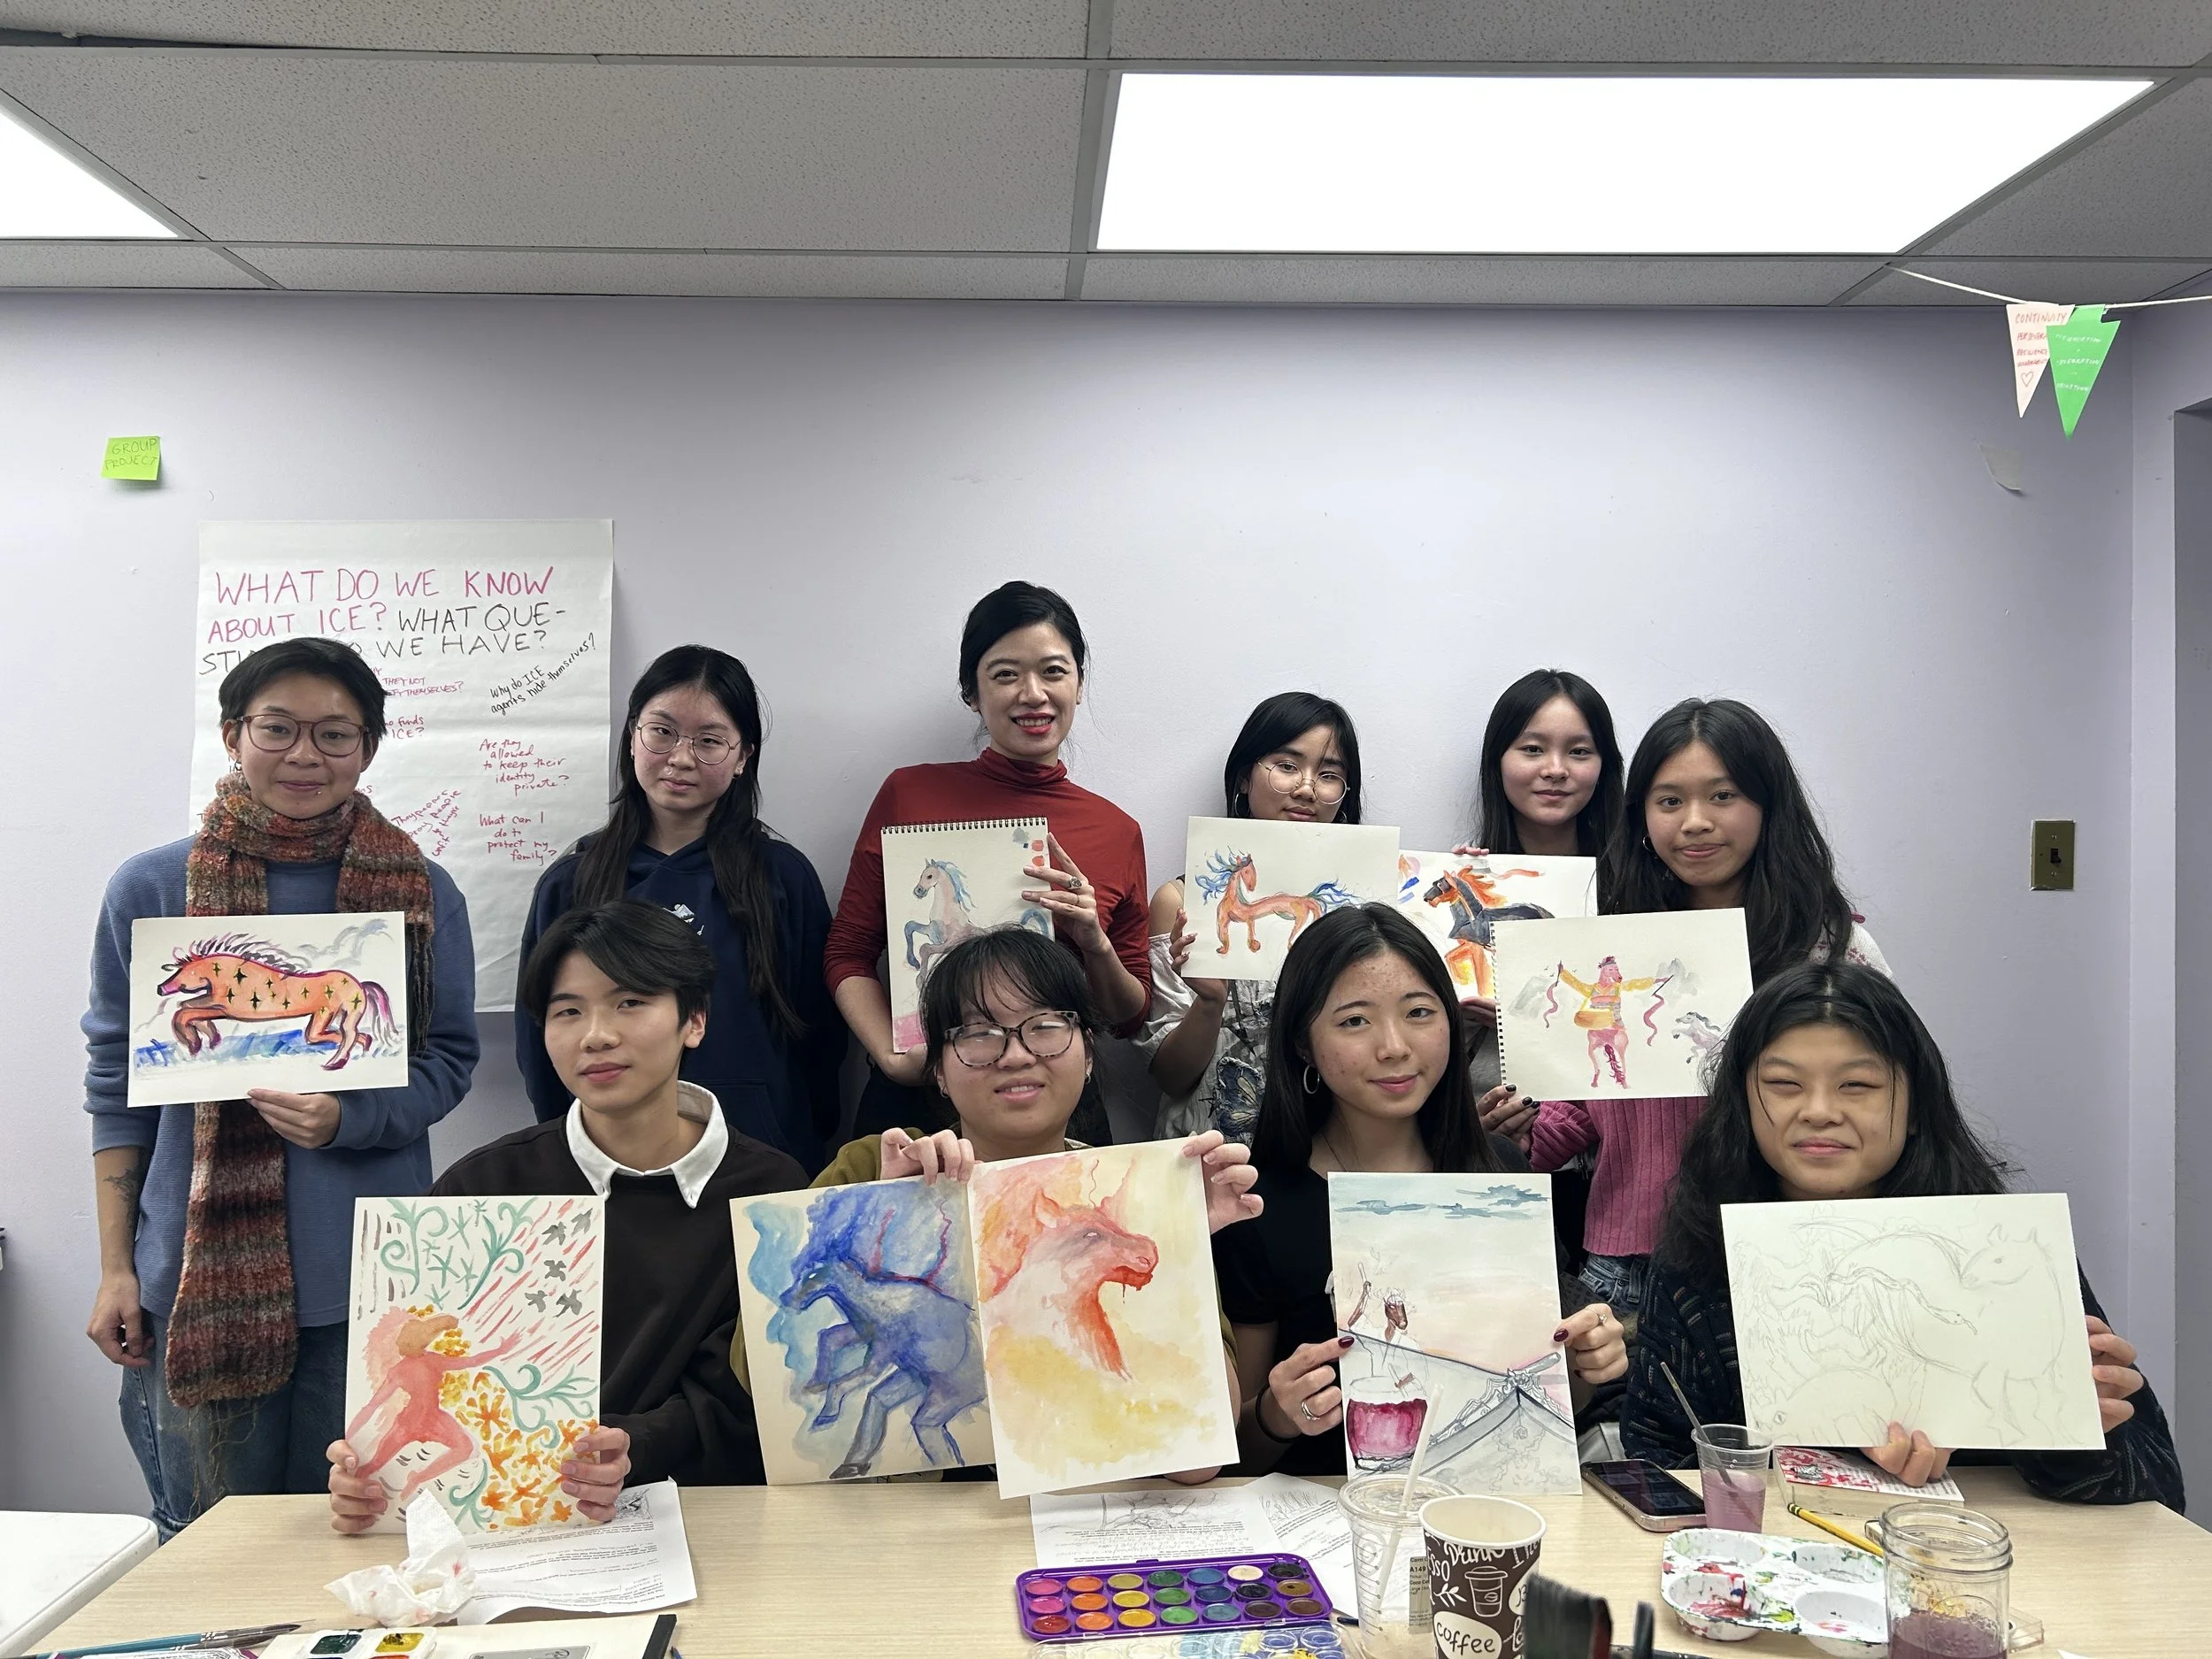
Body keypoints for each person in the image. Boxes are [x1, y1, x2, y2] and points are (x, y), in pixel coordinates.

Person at [83, 638, 479, 1537]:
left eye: (336, 734)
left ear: (368, 749)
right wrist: (115, 1268)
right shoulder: (152, 887)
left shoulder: (419, 892)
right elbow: (117, 1084)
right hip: (192, 1283)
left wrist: (350, 1117)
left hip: (371, 1287)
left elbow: (451, 1060)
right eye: (279, 728)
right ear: (233, 734)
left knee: (356, 1539)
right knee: (207, 1544)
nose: (306, 754)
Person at [1622, 962, 2183, 1509]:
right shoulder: (1697, 1258)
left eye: (1858, 1085)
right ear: (1744, 1104)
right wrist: (1834, 1470)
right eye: (1784, 1084)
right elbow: (1655, 1463)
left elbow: (2157, 1486)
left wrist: (2080, 1434)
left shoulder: (2002, 1251)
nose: (1819, 1111)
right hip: (1775, 1569)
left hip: (1982, 1562)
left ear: (1916, 1107)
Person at [326, 902, 807, 1531]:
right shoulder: (482, 1189)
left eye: (630, 1002)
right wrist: (361, 1476)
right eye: (568, 1010)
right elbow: (410, 1370)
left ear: (694, 1019)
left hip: (713, 1519)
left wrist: (636, 1446)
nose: (596, 1035)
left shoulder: (770, 1192)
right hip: (515, 1528)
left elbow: (753, 1397)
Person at [749, 925, 1261, 1486]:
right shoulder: (869, 1165)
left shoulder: (1129, 1205)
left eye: (1046, 1027)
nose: (1016, 1054)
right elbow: (762, 1378)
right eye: (978, 1033)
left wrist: (1178, 1246)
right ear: (939, 1070)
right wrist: (881, 1209)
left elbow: (1196, 1462)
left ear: (1089, 1054)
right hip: (908, 1537)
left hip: (1087, 1529)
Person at [1488, 698, 1887, 1325]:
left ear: (1768, 804)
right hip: (1625, 1268)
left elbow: (1885, 1101)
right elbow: (1590, 1109)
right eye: (1670, 801)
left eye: (1723, 796)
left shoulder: (1831, 951)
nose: (1695, 822)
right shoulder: (1612, 941)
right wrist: (1520, 1135)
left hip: (1787, 1254)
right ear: (1642, 817)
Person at [1213, 904, 1627, 1475]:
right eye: (1354, 1021)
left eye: (1419, 1013)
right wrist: (1277, 1416)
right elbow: (1237, 1456)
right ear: (1302, 1044)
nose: (1394, 1046)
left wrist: (1582, 1369)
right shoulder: (1259, 1204)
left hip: (1479, 1519)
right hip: (1325, 1529)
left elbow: (1545, 1421)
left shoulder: (1500, 1176)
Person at [825, 582, 1150, 1143]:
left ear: (1078, 682)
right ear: (972, 693)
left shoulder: (1116, 831)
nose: (1033, 694)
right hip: (918, 1104)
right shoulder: (909, 795)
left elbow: (1129, 1016)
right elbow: (848, 953)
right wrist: (893, 1056)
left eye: (1054, 671)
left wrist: (1093, 940)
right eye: (1005, 675)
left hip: (1055, 1100)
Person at [517, 646, 841, 1171]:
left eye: (710, 741)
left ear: (743, 757)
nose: (681, 758)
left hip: (762, 1155)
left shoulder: (782, 877)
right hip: (608, 1162)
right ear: (632, 735)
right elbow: (540, 1036)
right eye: (661, 732)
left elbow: (820, 1034)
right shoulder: (572, 882)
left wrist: (803, 1132)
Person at [1136, 692, 1364, 1142]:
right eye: (1287, 765)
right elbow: (1170, 1078)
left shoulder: (1364, 907)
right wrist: (1209, 1003)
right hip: (1211, 1153)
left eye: (1330, 775)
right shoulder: (1181, 901)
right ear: (1244, 777)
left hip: (1331, 1147)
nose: (1307, 788)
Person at [1472, 668, 1625, 859]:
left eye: (1578, 751)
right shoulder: (1464, 876)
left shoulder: (1637, 879)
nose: (1556, 770)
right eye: (1533, 749)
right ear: (1497, 760)